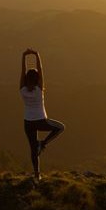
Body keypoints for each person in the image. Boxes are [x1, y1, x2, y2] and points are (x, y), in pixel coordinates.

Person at [20, 48, 65, 181]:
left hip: (28, 123)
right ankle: (44, 143)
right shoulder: (39, 90)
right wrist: (37, 55)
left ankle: (36, 175)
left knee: (33, 149)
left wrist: (24, 56)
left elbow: (22, 72)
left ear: (27, 78)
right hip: (41, 121)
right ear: (37, 79)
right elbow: (41, 70)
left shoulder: (22, 89)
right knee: (61, 127)